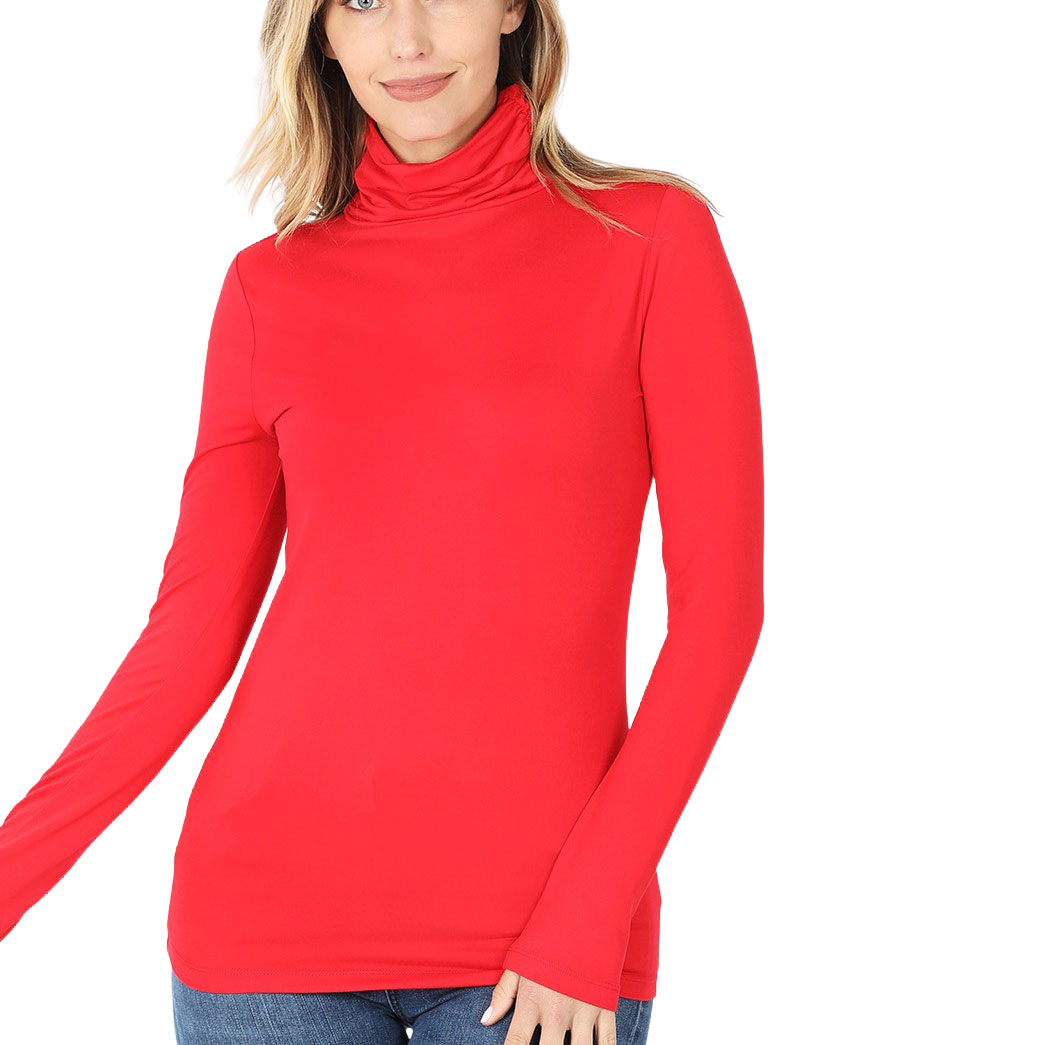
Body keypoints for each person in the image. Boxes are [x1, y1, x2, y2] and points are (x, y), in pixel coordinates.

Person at [0, 0, 764, 1041]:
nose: (405, 39)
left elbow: (719, 618)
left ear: (512, 7)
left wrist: (590, 910)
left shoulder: (650, 238)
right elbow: (188, 637)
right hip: (262, 928)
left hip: (541, 941)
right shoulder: (267, 286)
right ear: (320, 31)